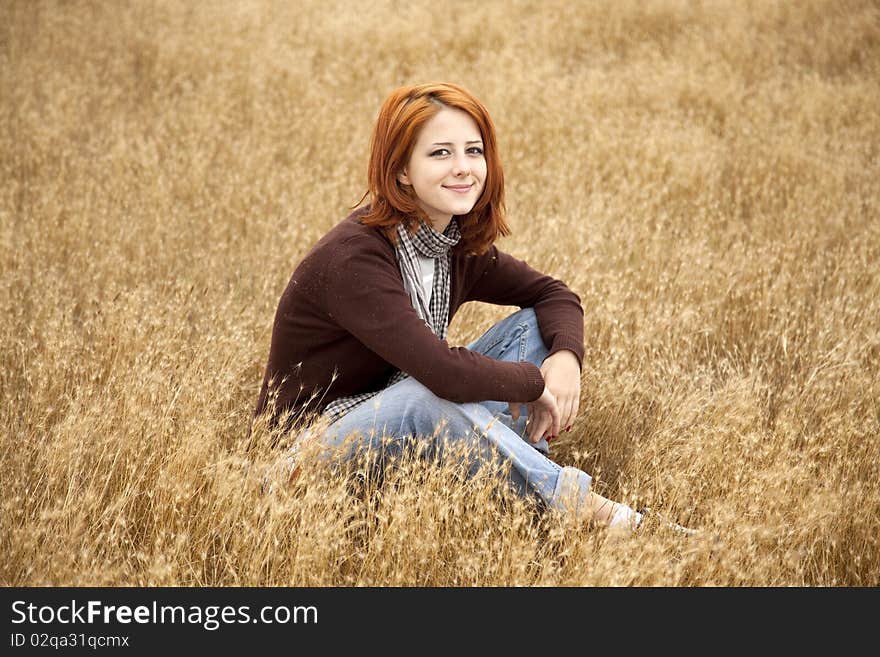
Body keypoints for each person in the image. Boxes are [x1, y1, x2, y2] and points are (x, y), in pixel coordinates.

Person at [254, 82, 694, 537]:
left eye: (473, 151)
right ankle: (600, 519)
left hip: (398, 416)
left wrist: (565, 360)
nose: (463, 169)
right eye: (440, 153)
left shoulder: (451, 243)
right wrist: (532, 382)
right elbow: (441, 374)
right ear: (401, 170)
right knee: (426, 399)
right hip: (307, 455)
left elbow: (554, 295)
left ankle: (504, 463)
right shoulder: (353, 258)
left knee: (534, 328)